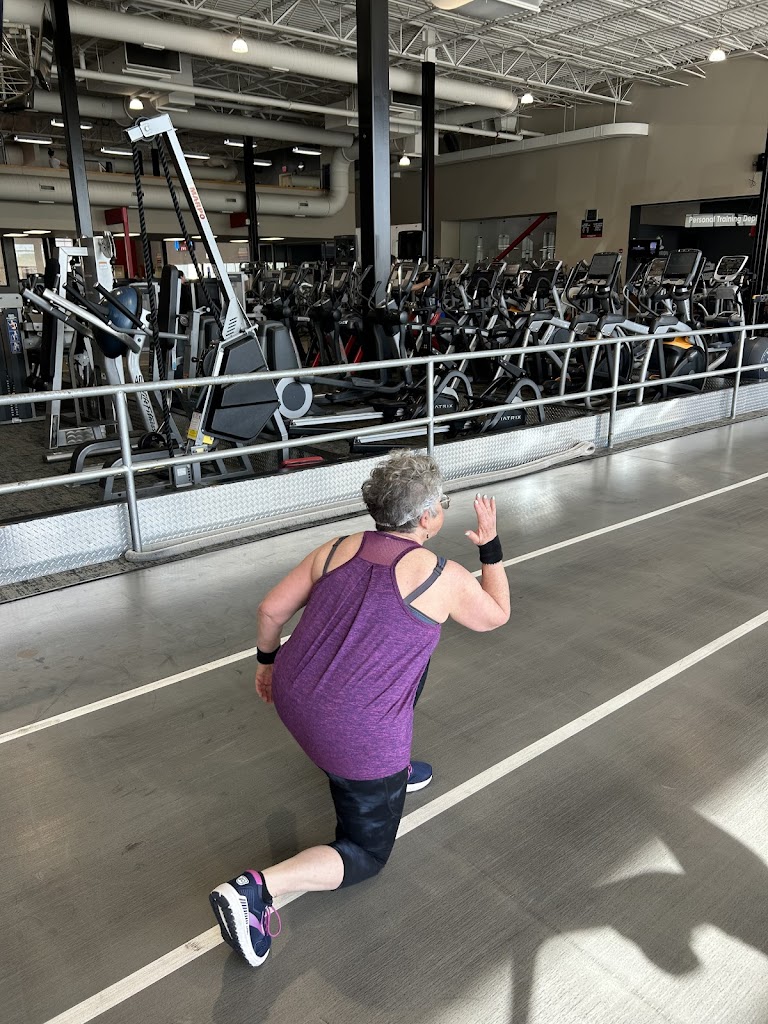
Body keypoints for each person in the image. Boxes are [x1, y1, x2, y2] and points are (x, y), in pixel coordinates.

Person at [209, 450, 510, 967]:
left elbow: (270, 610)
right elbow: (496, 614)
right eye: (442, 503)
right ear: (426, 516)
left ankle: (395, 771)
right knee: (367, 853)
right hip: (351, 732)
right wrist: (490, 546)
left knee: (413, 658)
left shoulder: (336, 548)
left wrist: (266, 664)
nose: (443, 509)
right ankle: (256, 890)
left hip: (293, 694)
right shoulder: (443, 576)